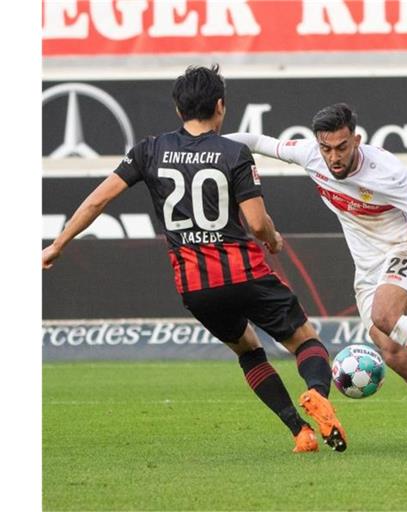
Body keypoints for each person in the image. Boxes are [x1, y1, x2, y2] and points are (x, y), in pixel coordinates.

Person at [42, 65, 348, 454]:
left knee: (247, 351)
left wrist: (58, 244)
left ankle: (299, 432)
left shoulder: (148, 150)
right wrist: (273, 239)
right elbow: (256, 223)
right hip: (245, 272)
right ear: (220, 106)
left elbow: (98, 199)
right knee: (304, 341)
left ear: (177, 108)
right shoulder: (233, 152)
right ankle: (318, 394)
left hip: (196, 286)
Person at [227, 103, 407, 444]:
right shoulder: (309, 156)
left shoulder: (385, 170)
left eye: (342, 147)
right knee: (394, 353)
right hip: (367, 269)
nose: (333, 157)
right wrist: (206, 146)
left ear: (356, 140)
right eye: (326, 148)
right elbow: (257, 141)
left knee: (385, 315)